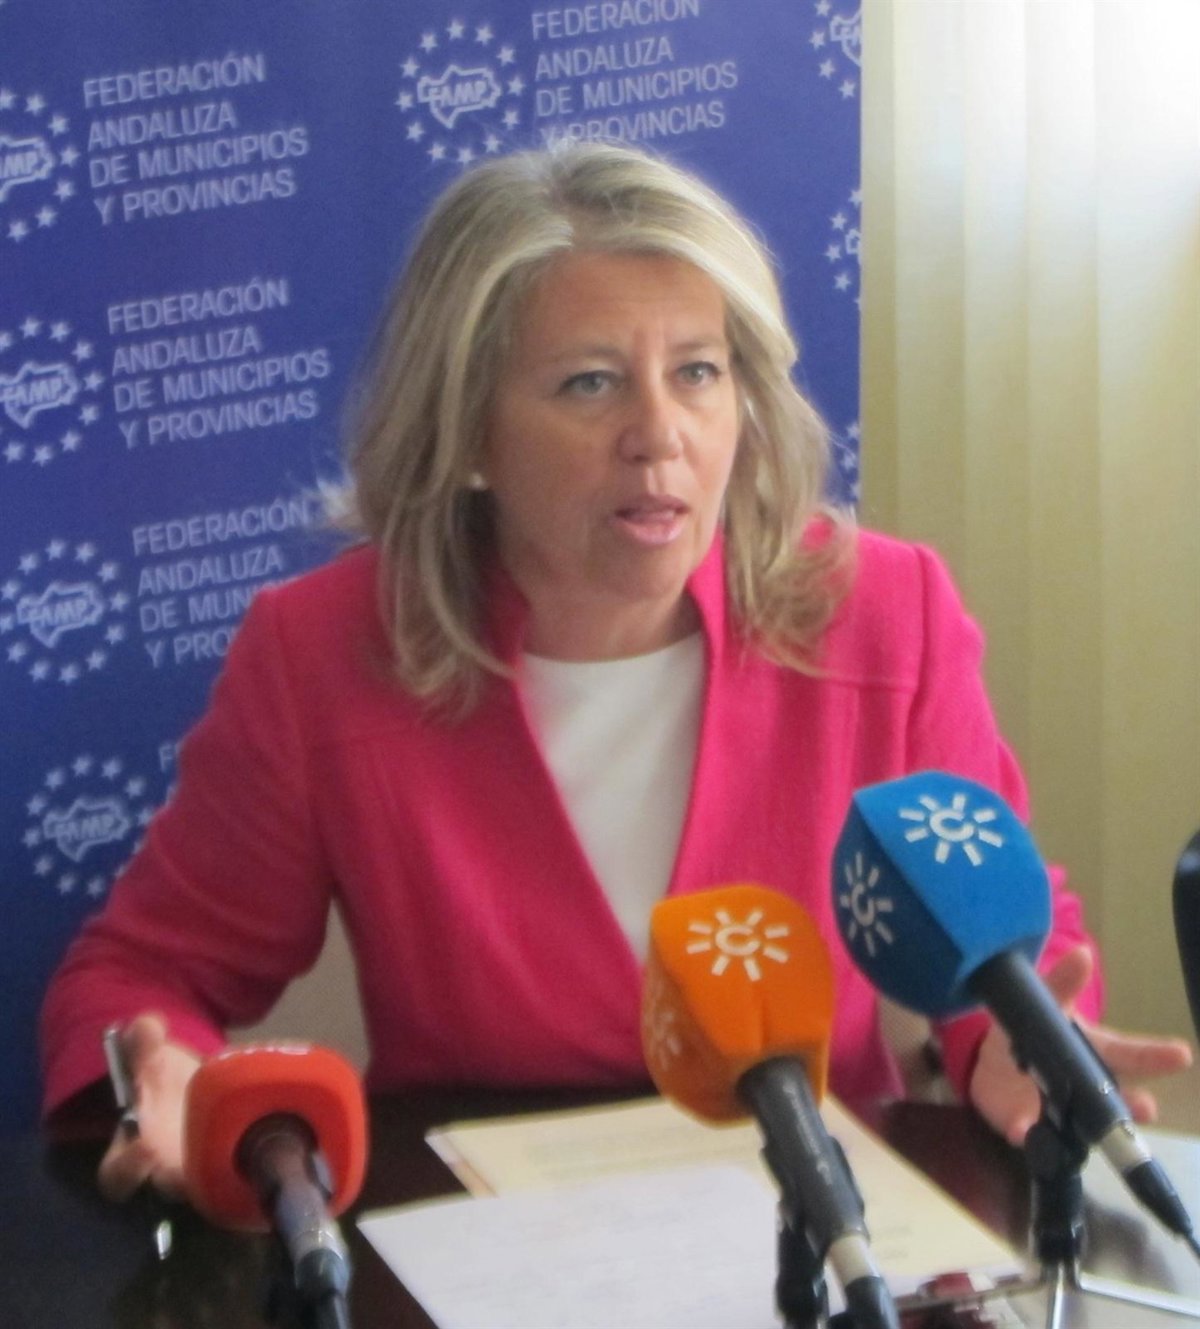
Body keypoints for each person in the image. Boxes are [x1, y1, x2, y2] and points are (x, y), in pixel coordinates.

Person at [39, 140, 1189, 1202]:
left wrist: (1016, 1045)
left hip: (826, 1227)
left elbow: (998, 935)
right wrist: (164, 1081)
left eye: (698, 372)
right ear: (468, 434)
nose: (660, 434)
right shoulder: (324, 655)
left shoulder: (884, 616)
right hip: (479, 1245)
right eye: (590, 383)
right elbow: (139, 976)